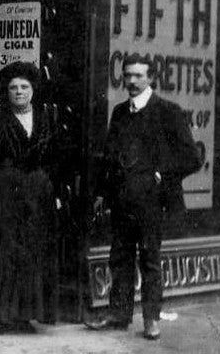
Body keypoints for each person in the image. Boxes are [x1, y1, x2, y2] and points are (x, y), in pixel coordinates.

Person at [89, 53, 201, 341]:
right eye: (127, 75)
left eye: (139, 75)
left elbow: (192, 157)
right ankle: (118, 314)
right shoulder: (119, 113)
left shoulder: (167, 111)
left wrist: (162, 175)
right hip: (123, 199)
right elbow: (111, 158)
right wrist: (102, 192)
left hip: (153, 201)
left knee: (150, 259)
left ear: (151, 78)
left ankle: (151, 319)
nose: (132, 81)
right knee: (120, 257)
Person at [0, 62, 62, 333]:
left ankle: (23, 315)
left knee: (31, 254)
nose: (18, 92)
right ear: (7, 92)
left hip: (37, 196)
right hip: (3, 195)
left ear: (33, 90)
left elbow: (56, 160)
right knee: (2, 254)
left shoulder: (46, 120)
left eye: (24, 87)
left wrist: (54, 193)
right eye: (13, 88)